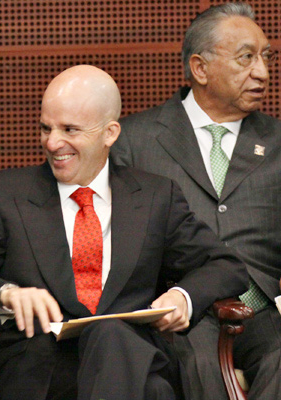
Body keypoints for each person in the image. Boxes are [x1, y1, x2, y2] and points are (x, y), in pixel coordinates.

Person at [0, 65, 249, 400]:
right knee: (149, 386)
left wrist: (183, 297)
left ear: (109, 133)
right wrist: (7, 293)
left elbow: (226, 265)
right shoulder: (2, 195)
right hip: (43, 369)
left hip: (132, 358)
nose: (52, 142)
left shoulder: (155, 197)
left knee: (113, 336)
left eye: (70, 130)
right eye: (45, 128)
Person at [110, 3, 281, 399]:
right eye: (246, 58)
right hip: (179, 309)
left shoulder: (277, 141)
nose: (262, 72)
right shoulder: (134, 141)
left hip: (262, 307)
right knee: (199, 368)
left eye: (266, 57)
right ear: (200, 68)